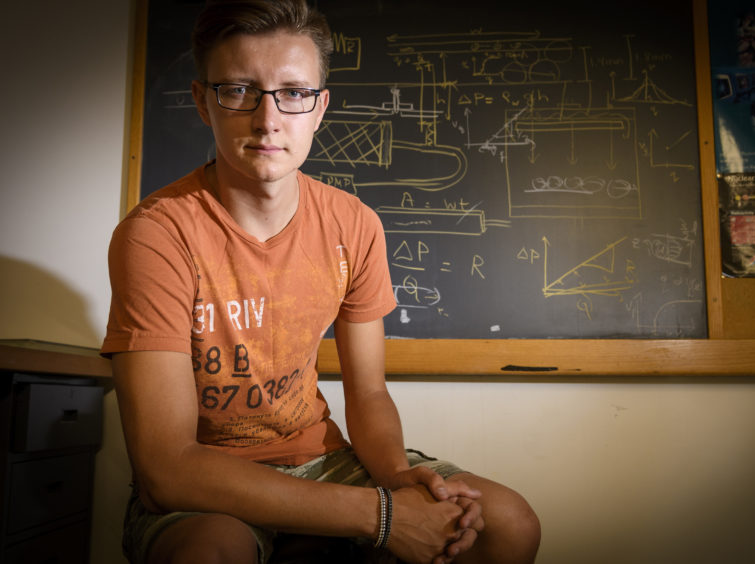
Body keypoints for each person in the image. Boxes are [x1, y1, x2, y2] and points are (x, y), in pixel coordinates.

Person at [101, 1, 541, 563]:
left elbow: (368, 392)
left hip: (323, 457)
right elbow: (167, 468)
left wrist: (400, 481)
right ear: (202, 102)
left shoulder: (353, 223)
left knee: (509, 523)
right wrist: (384, 518)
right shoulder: (156, 235)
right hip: (211, 480)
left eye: (292, 92)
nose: (268, 119)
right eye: (238, 89)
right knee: (208, 554)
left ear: (319, 107)